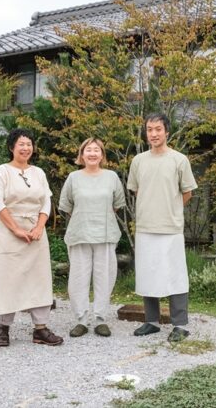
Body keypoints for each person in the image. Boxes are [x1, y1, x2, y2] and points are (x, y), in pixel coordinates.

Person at [0, 128, 63, 347]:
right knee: (7, 279)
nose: (26, 148)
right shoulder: (1, 171)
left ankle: (41, 328)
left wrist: (40, 226)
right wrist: (16, 229)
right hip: (8, 230)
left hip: (36, 232)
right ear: (12, 147)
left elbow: (46, 201)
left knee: (39, 279)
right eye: (21, 144)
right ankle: (3, 328)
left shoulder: (38, 173)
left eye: (29, 144)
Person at [127, 113, 197, 342]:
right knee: (148, 274)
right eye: (149, 129)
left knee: (176, 276)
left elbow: (187, 193)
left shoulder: (179, 160)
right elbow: (137, 190)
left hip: (171, 227)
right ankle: (151, 321)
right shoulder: (138, 161)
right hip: (146, 226)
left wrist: (171, 208)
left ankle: (179, 324)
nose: (154, 134)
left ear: (167, 131)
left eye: (158, 129)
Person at [59, 137, 126, 338]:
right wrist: (84, 218)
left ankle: (100, 319)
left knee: (104, 277)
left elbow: (116, 205)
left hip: (105, 234)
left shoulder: (112, 177)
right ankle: (81, 320)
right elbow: (67, 206)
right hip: (80, 233)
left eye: (97, 150)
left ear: (102, 155)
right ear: (82, 155)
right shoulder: (73, 178)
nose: (92, 153)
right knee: (78, 279)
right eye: (88, 150)